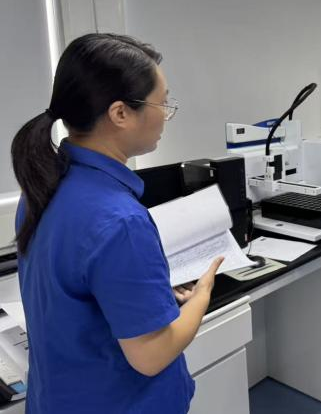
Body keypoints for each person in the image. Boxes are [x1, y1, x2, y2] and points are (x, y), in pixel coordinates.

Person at [11, 33, 223, 413]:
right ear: (120, 113)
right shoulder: (120, 222)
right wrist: (203, 295)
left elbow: (81, 290)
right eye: (162, 102)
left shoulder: (40, 190)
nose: (166, 114)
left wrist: (149, 295)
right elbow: (152, 355)